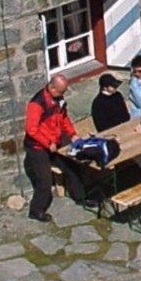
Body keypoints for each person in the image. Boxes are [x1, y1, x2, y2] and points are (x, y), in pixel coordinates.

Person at [23, 73, 89, 222]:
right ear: (52, 88)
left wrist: (72, 134)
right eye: (61, 91)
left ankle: (80, 197)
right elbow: (31, 129)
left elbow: (63, 118)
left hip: (56, 139)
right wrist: (48, 143)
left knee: (72, 166)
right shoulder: (37, 104)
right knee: (44, 180)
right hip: (37, 147)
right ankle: (37, 210)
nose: (63, 94)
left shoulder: (58, 100)